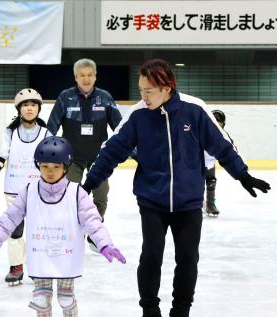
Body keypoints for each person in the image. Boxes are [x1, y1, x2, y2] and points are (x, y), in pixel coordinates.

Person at [81, 59, 271, 317]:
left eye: (148, 91)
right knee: (151, 256)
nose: (143, 96)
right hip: (152, 201)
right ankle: (150, 309)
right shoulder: (138, 116)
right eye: (140, 90)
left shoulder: (194, 110)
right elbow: (111, 151)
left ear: (166, 87)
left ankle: (181, 310)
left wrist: (244, 175)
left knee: (188, 258)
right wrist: (90, 183)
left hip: (188, 201)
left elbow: (221, 146)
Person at [0, 136, 126, 317]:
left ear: (65, 167)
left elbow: (93, 221)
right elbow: (9, 219)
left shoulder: (77, 193)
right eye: (44, 166)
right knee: (41, 300)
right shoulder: (29, 191)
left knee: (66, 299)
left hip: (67, 255)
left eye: (55, 167)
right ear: (38, 166)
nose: (49, 172)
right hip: (41, 255)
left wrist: (104, 243)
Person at [47, 58, 122, 250]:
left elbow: (121, 128)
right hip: (72, 158)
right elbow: (51, 127)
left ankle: (94, 229)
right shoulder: (65, 97)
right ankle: (71, 229)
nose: (86, 79)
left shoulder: (105, 97)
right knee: (69, 195)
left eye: (90, 75)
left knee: (101, 194)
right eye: (82, 75)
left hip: (99, 158)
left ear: (95, 76)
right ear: (76, 77)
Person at [0, 88, 52, 285]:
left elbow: (53, 161)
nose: (29, 109)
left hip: (39, 190)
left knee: (39, 229)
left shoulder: (46, 132)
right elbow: (0, 157)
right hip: (14, 189)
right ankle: (16, 266)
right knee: (15, 230)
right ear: (19, 109)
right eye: (25, 105)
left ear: (39, 108)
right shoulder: (10, 132)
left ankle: (39, 265)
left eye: (33, 105)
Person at [203, 109, 235, 217]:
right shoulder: (200, 132)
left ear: (223, 124)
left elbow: (230, 150)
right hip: (194, 163)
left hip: (210, 164)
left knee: (211, 182)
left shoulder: (224, 136)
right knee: (192, 185)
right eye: (213, 122)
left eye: (218, 122)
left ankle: (210, 204)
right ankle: (190, 205)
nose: (216, 125)